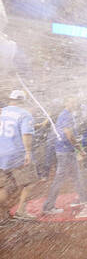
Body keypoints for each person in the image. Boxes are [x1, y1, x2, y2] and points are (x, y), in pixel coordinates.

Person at [42, 97, 87, 215]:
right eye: (71, 101)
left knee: (76, 175)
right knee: (60, 179)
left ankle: (84, 197)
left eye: (75, 101)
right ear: (66, 102)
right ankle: (48, 206)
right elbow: (69, 135)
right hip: (65, 151)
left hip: (66, 150)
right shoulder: (66, 115)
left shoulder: (67, 114)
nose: (74, 103)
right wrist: (80, 150)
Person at [0, 90, 38, 222]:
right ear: (22, 101)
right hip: (16, 154)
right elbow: (26, 134)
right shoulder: (24, 114)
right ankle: (21, 211)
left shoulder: (2, 111)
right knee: (30, 182)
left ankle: (2, 217)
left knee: (3, 187)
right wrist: (27, 152)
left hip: (1, 154)